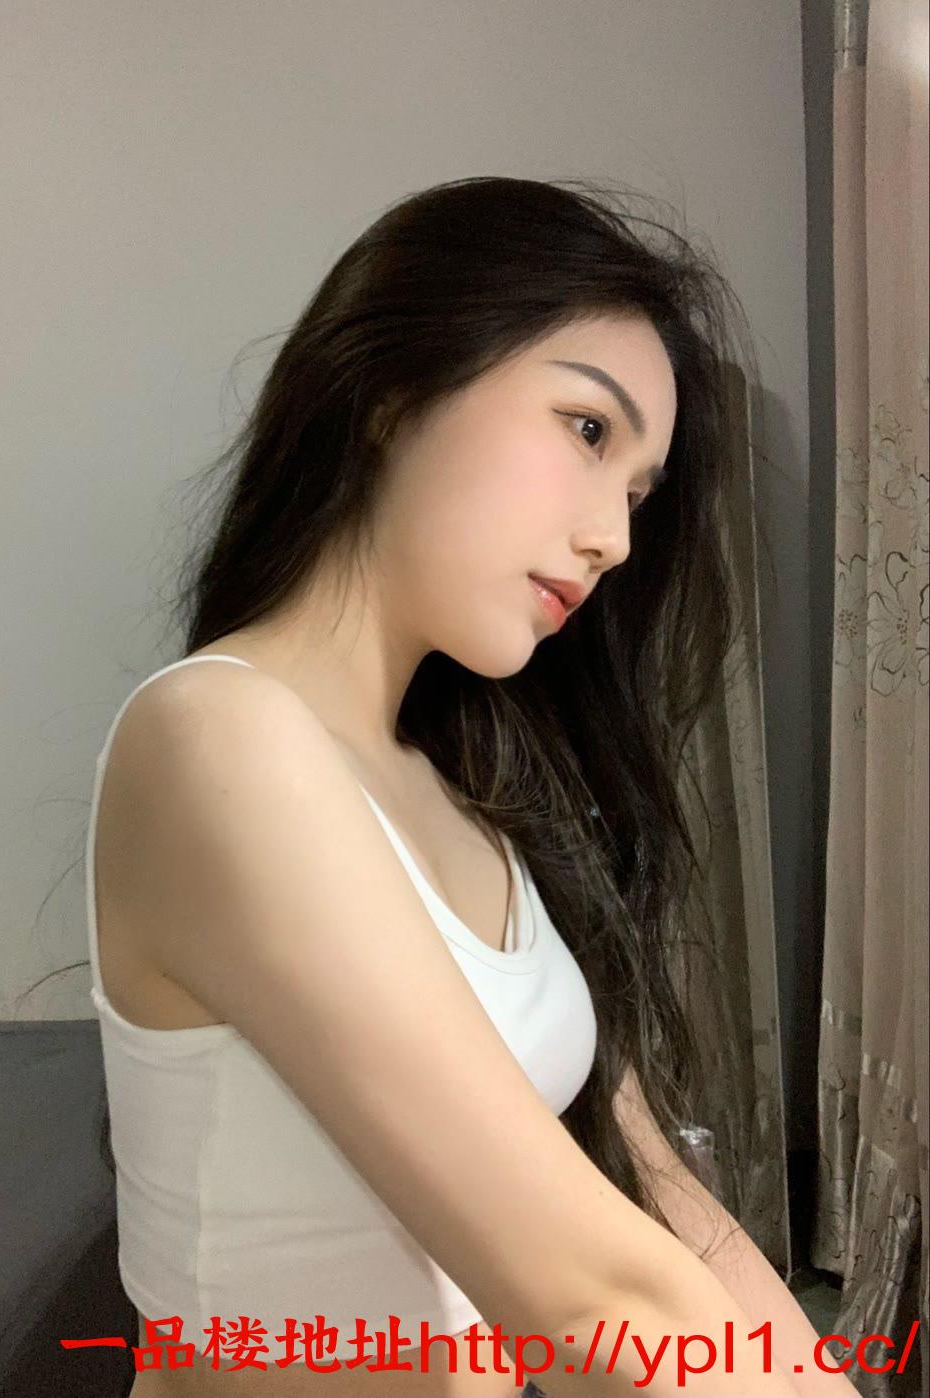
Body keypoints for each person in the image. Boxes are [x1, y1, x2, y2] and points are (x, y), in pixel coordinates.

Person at [78, 177, 859, 1398]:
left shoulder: (471, 789)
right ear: (396, 391)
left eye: (638, 494)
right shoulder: (215, 738)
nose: (616, 538)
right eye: (588, 431)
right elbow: (594, 1299)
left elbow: (656, 1196)